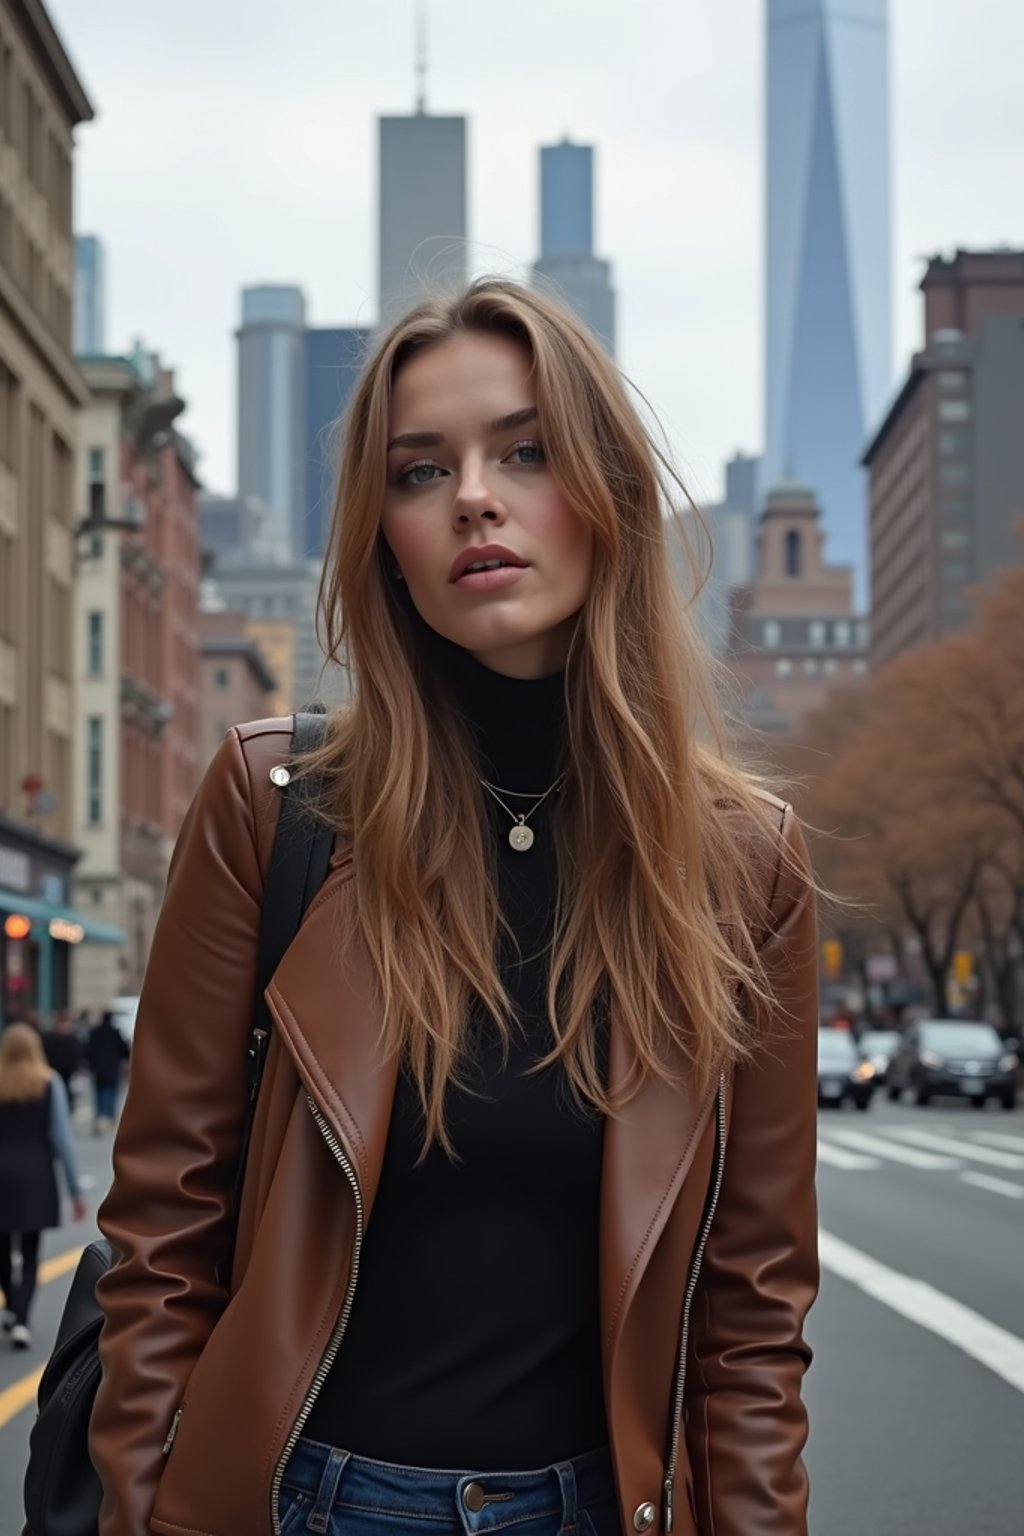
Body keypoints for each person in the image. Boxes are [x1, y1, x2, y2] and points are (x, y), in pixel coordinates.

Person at [89, 280, 819, 1536]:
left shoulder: (743, 865)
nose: (473, 495)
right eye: (420, 472)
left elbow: (752, 1315)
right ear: (386, 536)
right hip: (305, 1504)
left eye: (524, 452)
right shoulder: (278, 807)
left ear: (610, 496)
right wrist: (147, 1504)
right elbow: (163, 1232)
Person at [0, 1023, 87, 1349]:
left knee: (3, 1251)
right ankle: (22, 1318)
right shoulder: (49, 1083)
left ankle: (11, 1303)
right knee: (31, 1250)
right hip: (37, 1175)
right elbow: (61, 1139)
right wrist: (76, 1190)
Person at [86, 1010, 130, 1134]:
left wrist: (90, 1066)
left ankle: (100, 1116)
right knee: (110, 1093)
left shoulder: (95, 1032)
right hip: (112, 1069)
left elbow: (88, 1051)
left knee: (99, 1093)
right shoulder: (115, 1033)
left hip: (98, 1069)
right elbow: (125, 1051)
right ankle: (107, 1117)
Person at [43, 1009, 85, 1110]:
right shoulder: (70, 1037)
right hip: (58, 1069)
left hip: (63, 1069)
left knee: (63, 1090)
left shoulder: (70, 1037)